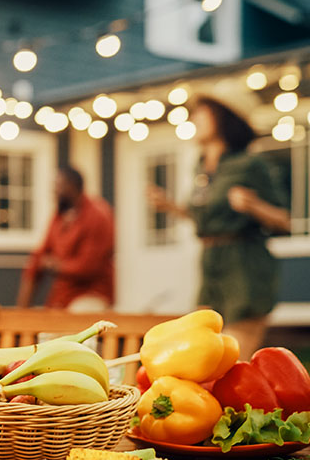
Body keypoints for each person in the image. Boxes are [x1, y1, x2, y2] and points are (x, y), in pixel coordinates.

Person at [148, 94, 289, 359]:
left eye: (202, 112)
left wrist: (254, 205)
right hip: (210, 261)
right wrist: (171, 207)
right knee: (201, 350)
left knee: (232, 357)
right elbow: (207, 217)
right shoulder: (202, 167)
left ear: (224, 118)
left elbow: (284, 219)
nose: (194, 118)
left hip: (244, 264)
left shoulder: (250, 164)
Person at [18, 167, 115, 311]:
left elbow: (89, 266)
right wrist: (22, 309)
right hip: (62, 296)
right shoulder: (59, 216)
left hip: (92, 295)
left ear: (72, 186)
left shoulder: (98, 215)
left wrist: (55, 265)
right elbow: (40, 256)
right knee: (43, 328)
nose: (53, 191)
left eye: (57, 186)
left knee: (75, 321)